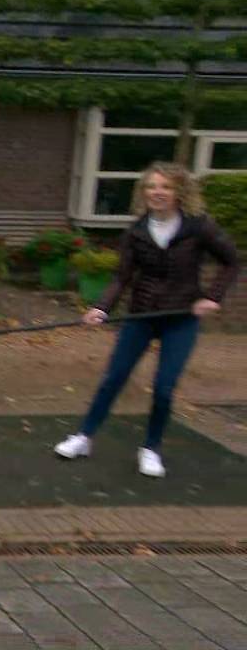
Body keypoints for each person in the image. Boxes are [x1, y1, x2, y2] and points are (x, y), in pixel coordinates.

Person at [54, 162, 238, 478]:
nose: (157, 192)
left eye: (165, 186)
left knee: (164, 388)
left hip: (180, 318)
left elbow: (232, 261)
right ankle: (83, 437)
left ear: (179, 192)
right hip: (142, 315)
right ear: (144, 192)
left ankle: (150, 449)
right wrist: (102, 307)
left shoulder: (199, 226)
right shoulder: (136, 231)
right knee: (114, 377)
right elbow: (121, 277)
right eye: (152, 186)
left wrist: (213, 297)